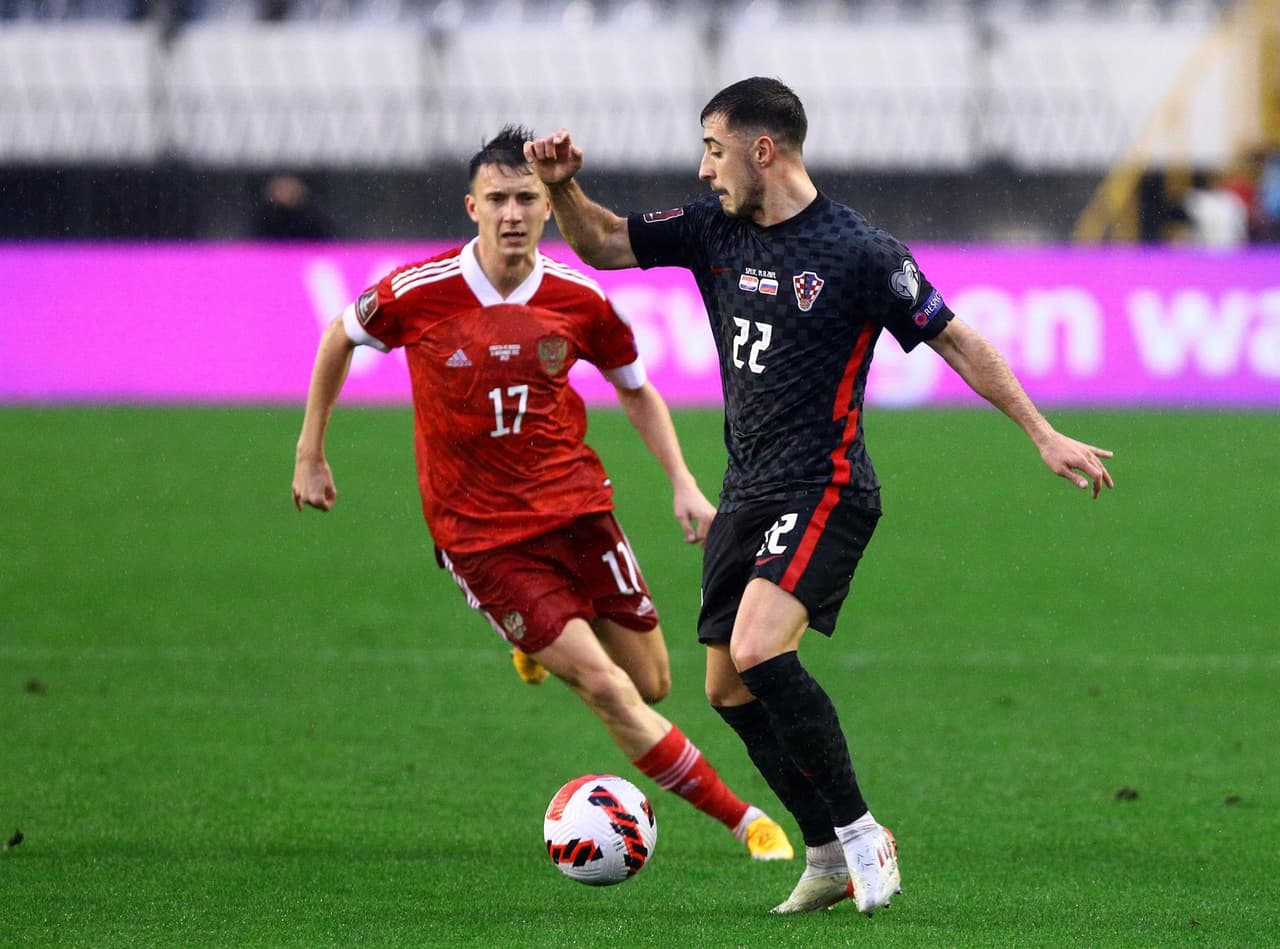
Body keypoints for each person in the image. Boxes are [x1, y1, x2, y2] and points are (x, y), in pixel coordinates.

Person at [525, 77, 1114, 916]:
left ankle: (865, 832)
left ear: (763, 150)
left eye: (714, 149)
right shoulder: (713, 230)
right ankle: (828, 851)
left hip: (828, 484)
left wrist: (1041, 430)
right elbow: (605, 244)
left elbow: (953, 334)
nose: (703, 170)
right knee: (728, 689)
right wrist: (561, 187)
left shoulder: (859, 251)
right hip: (746, 488)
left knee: (763, 652)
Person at [291, 125, 792, 863]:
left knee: (650, 681)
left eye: (527, 197)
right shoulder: (418, 291)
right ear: (472, 206)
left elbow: (637, 390)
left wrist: (682, 482)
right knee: (605, 687)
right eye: (498, 199)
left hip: (579, 511)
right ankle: (748, 821)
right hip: (480, 535)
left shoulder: (578, 297)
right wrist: (311, 451)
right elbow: (339, 335)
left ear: (547, 208)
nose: (514, 213)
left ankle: (531, 641)